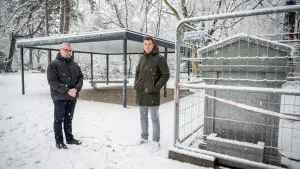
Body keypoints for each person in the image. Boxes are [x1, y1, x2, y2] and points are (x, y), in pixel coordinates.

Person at [134, 36, 170, 149]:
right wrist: (137, 84)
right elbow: (137, 72)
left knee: (154, 118)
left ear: (153, 45)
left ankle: (156, 140)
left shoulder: (159, 58)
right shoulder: (141, 58)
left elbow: (166, 75)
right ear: (143, 45)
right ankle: (144, 137)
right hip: (141, 94)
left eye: (149, 44)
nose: (147, 46)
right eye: (145, 44)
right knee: (143, 117)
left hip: (152, 94)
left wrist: (156, 87)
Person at [47, 43, 83, 149]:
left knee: (69, 119)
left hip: (72, 97)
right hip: (59, 97)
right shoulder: (53, 65)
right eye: (66, 50)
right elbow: (52, 81)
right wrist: (67, 90)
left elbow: (80, 78)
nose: (68, 52)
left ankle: (69, 138)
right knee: (59, 119)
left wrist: (76, 89)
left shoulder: (75, 65)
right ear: (60, 50)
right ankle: (59, 141)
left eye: (70, 51)